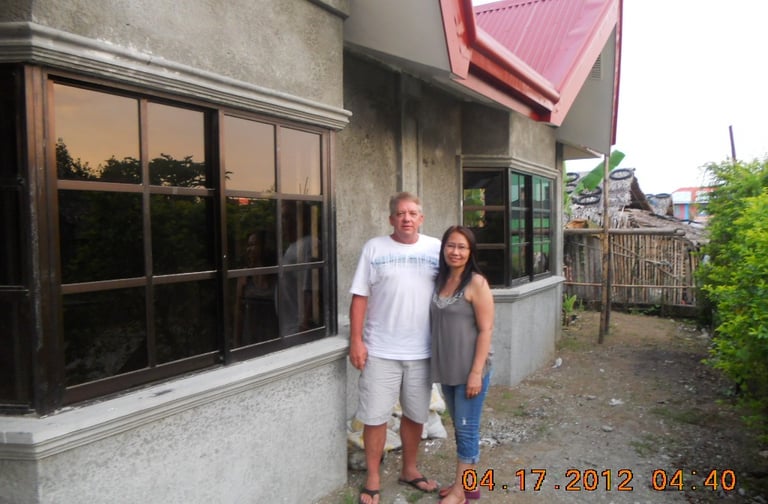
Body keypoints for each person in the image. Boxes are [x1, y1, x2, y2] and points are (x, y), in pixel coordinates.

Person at [349, 192, 442, 504]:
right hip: (380, 350)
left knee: (416, 415)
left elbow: (454, 290)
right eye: (400, 213)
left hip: (422, 351)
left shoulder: (436, 249)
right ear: (391, 219)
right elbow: (359, 296)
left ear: (421, 218)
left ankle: (410, 470)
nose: (407, 218)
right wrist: (356, 340)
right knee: (375, 417)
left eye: (412, 213)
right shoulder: (374, 248)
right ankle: (373, 476)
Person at [431, 225, 494, 504]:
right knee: (460, 426)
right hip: (448, 369)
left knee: (467, 428)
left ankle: (460, 492)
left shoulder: (477, 283)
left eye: (462, 247)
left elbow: (486, 330)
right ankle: (469, 485)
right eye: (450, 246)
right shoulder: (439, 281)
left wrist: (476, 373)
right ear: (443, 249)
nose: (455, 252)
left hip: (471, 371)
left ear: (470, 252)